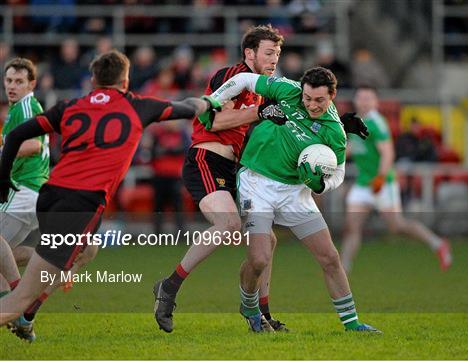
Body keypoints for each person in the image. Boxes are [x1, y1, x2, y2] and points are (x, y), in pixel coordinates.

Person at [0, 50, 220, 332]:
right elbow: (189, 107)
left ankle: (31, 305)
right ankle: (26, 311)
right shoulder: (138, 106)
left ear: (93, 79)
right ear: (126, 80)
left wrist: (3, 179)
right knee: (21, 298)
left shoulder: (69, 106)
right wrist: (210, 100)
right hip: (79, 204)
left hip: (51, 195)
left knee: (87, 250)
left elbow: (17, 135)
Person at [205, 66, 377, 333]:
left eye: (319, 100)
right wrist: (213, 101)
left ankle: (352, 323)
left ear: (332, 95)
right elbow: (243, 80)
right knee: (259, 260)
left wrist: (322, 184)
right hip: (257, 182)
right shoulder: (288, 89)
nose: (311, 104)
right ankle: (249, 306)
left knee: (330, 257)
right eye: (308, 98)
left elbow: (339, 173)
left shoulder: (334, 132)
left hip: (295, 193)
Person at [153, 24, 289, 333]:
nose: (273, 60)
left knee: (266, 238)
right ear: (249, 53)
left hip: (232, 169)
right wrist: (259, 114)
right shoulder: (232, 77)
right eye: (268, 53)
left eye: (277, 54)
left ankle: (262, 314)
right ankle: (169, 287)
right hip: (206, 159)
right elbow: (213, 121)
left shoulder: (261, 88)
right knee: (228, 224)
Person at [340, 85, 452, 274]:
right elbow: (354, 147)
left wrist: (381, 178)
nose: (364, 101)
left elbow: (388, 153)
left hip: (382, 183)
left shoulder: (377, 123)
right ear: (356, 100)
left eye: (368, 98)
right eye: (361, 97)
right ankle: (343, 268)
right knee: (352, 226)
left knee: (397, 226)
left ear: (375, 102)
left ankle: (438, 244)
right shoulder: (355, 121)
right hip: (363, 183)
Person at [0, 57, 49, 341]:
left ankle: (17, 301)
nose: (12, 86)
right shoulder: (16, 109)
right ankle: (50, 267)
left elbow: (33, 144)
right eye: (9, 81)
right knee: (8, 251)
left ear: (31, 84)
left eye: (19, 81)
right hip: (28, 192)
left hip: (24, 189)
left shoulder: (28, 105)